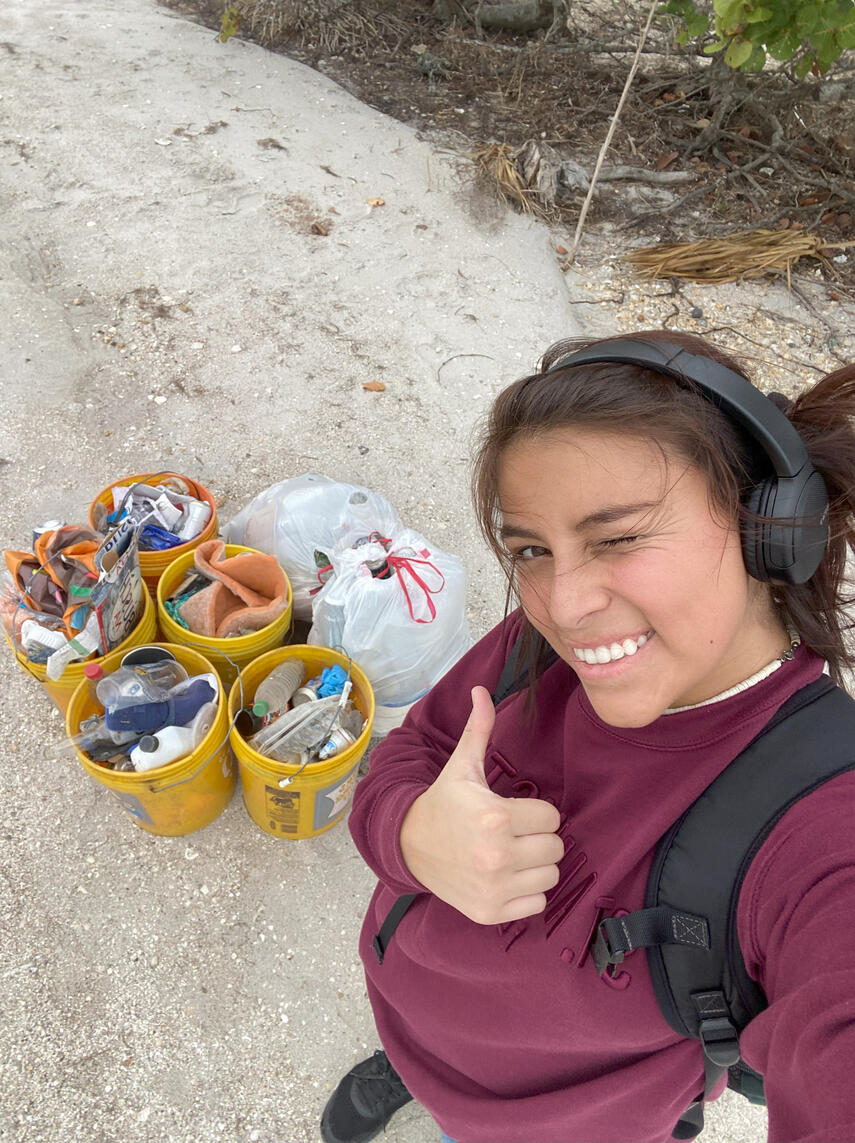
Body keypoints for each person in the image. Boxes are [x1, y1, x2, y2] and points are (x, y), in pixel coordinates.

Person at [320, 330, 855, 1143]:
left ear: (765, 529)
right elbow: (413, 751)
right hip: (405, 1006)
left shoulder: (818, 827)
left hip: (557, 1124)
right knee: (416, 1043)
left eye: (617, 537)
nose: (562, 604)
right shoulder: (535, 651)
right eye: (531, 549)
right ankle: (408, 1068)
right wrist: (409, 834)